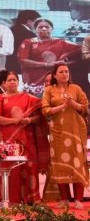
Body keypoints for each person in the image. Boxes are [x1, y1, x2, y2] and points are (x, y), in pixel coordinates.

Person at [0, 71, 49, 205]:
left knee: (30, 167)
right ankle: (11, 200)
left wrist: (28, 120)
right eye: (9, 80)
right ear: (4, 83)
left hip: (27, 138)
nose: (12, 82)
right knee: (10, 169)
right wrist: (15, 121)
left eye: (14, 80)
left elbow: (38, 116)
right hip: (8, 140)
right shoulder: (0, 98)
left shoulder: (28, 97)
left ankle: (32, 198)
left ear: (18, 82)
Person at [41, 63, 89, 210]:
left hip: (75, 132)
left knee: (77, 164)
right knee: (60, 166)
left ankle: (79, 200)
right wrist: (62, 106)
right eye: (61, 72)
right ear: (54, 75)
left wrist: (72, 103)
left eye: (66, 71)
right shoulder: (49, 90)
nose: (64, 74)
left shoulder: (76, 88)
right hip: (58, 133)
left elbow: (85, 107)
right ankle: (64, 200)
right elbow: (45, 109)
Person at [18, 18, 81, 97]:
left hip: (54, 80)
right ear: (35, 29)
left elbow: (82, 49)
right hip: (33, 82)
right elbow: (23, 60)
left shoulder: (61, 42)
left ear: (52, 29)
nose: (44, 29)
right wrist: (48, 64)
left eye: (47, 27)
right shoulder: (28, 42)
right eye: (40, 27)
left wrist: (68, 63)